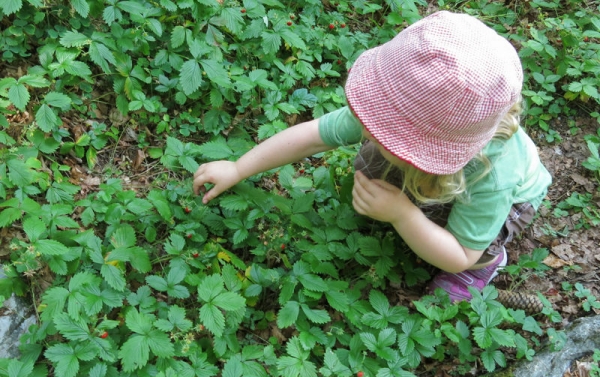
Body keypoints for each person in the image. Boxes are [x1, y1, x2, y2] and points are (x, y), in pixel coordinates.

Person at [192, 11, 552, 302]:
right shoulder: (395, 105)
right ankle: (419, 202)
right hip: (439, 176)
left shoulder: (492, 175)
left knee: (466, 248)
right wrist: (239, 167)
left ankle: (488, 265)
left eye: (387, 130)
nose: (369, 127)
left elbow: (460, 252)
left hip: (502, 208)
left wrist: (402, 214)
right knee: (370, 161)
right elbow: (313, 136)